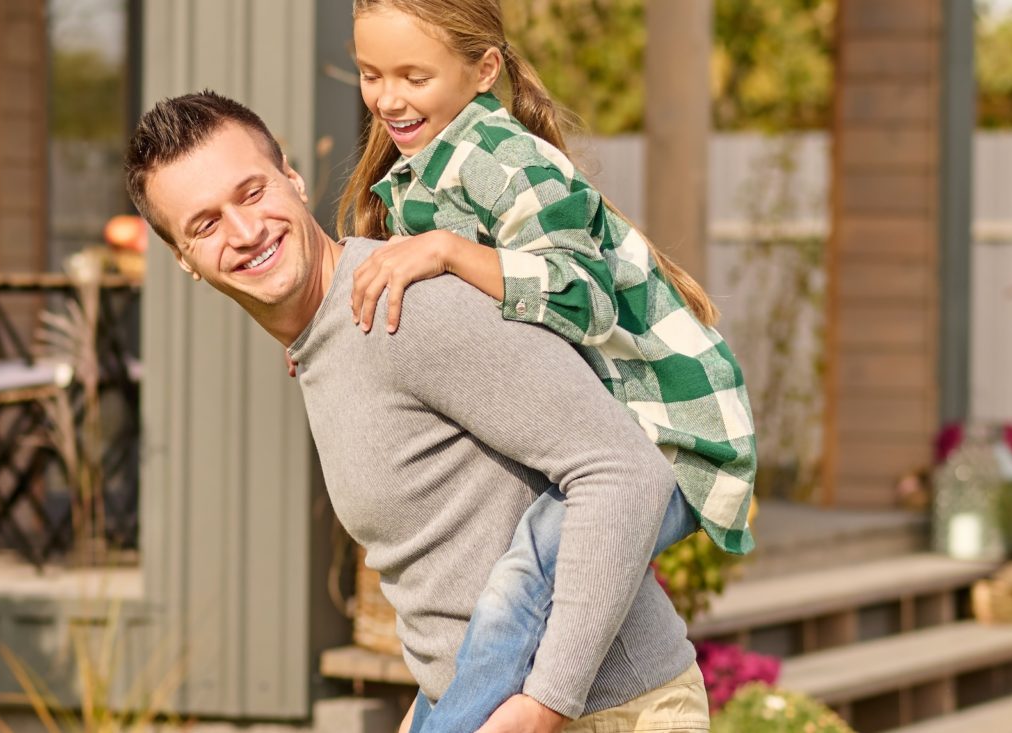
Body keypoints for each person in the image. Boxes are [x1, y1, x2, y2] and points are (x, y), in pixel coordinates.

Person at [127, 92, 710, 733]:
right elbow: (447, 565)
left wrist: (547, 705)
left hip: (606, 711)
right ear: (183, 258)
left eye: (252, 192)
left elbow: (628, 470)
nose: (244, 232)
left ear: (291, 178)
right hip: (489, 703)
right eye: (204, 225)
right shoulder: (330, 337)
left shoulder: (406, 308)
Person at [337, 2, 760, 729]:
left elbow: (582, 296)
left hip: (669, 432)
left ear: (484, 71)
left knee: (524, 580)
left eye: (413, 75)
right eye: (372, 74)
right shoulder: (422, 170)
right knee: (517, 581)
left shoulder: (504, 159)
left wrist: (449, 250)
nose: (389, 97)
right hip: (609, 435)